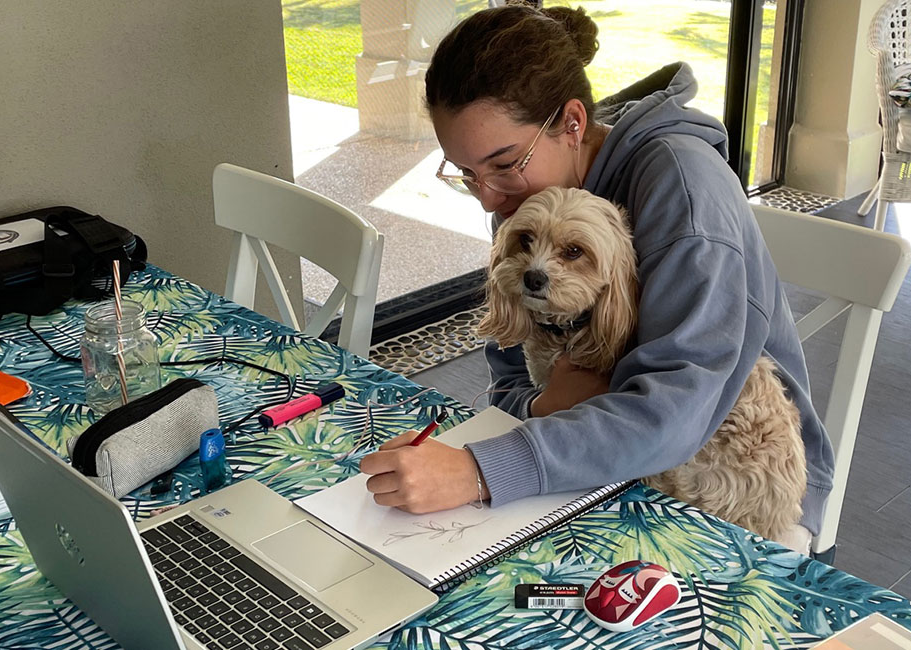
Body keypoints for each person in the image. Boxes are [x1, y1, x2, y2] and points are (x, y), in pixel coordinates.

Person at [357, 3, 833, 551]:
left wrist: (477, 472)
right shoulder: (528, 203)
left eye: (503, 163)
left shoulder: (683, 189)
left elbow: (678, 413)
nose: (488, 197)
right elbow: (512, 380)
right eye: (466, 172)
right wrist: (543, 408)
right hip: (604, 459)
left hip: (741, 488)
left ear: (574, 123)